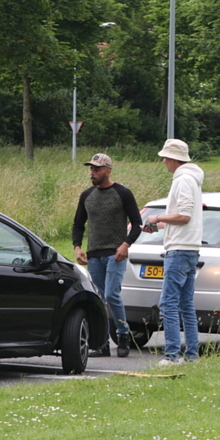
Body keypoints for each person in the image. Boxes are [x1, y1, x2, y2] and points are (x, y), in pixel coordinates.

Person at [72, 153, 144, 358]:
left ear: (108, 171)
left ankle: (123, 335)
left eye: (96, 169)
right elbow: (78, 224)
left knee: (112, 294)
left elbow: (137, 224)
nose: (92, 173)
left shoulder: (123, 193)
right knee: (100, 298)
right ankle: (102, 342)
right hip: (94, 255)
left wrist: (125, 245)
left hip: (116, 253)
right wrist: (77, 247)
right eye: (91, 169)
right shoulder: (87, 196)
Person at [143, 139, 204, 365]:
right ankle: (191, 355)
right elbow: (182, 220)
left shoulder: (183, 180)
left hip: (178, 252)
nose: (163, 162)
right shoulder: (192, 179)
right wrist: (156, 227)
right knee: (186, 305)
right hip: (189, 249)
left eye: (165, 158)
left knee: (168, 304)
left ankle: (171, 356)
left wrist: (158, 217)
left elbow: (184, 216)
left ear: (173, 159)